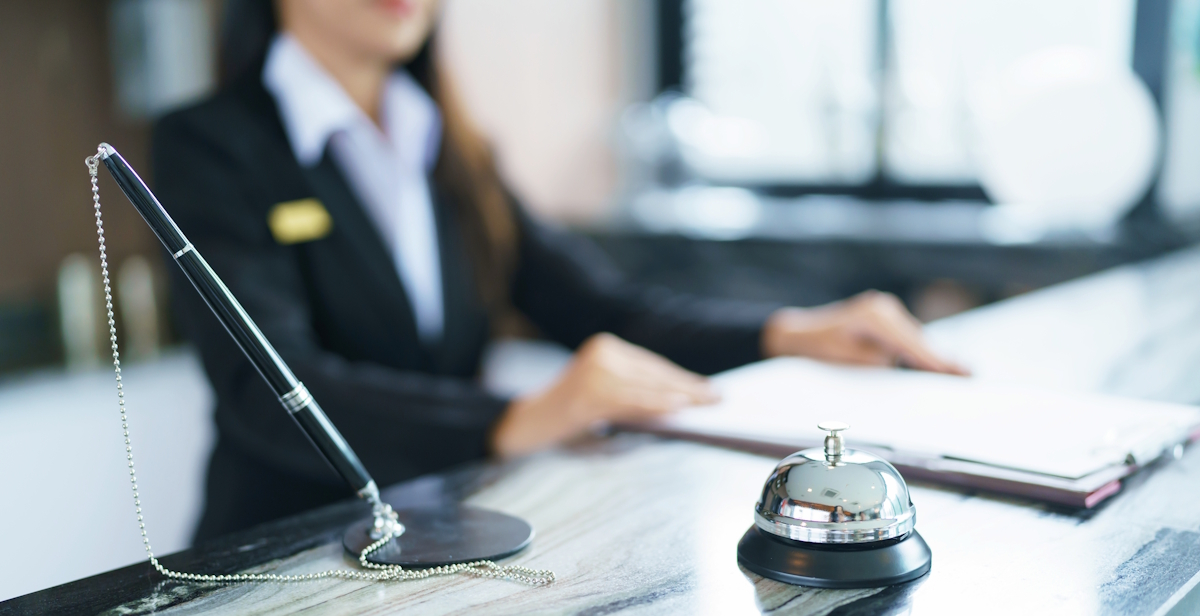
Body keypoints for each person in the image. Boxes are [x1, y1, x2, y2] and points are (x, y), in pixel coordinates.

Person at [154, 0, 965, 542]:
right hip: (277, 552)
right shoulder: (209, 146)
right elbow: (268, 389)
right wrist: (516, 419)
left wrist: (791, 330)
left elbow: (603, 309)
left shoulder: (447, 148)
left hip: (427, 539)